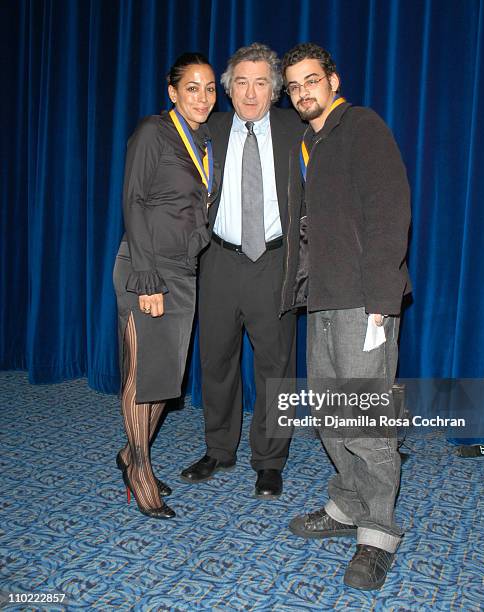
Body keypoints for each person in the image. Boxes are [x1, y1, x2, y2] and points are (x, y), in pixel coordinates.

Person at [280, 43, 411, 589]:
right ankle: (347, 506)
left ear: (333, 79)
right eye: (294, 86)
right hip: (326, 297)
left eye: (312, 80)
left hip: (365, 301)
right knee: (331, 413)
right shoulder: (313, 142)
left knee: (370, 424)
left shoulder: (362, 127)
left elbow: (390, 211)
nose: (304, 92)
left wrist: (382, 300)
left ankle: (377, 535)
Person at [180, 43, 304, 498]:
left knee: (277, 367)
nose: (250, 93)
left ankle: (271, 461)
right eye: (241, 83)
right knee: (215, 359)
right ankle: (218, 449)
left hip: (274, 261)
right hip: (218, 259)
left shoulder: (297, 130)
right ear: (228, 89)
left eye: (261, 83)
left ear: (275, 91)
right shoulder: (206, 128)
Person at [113, 52, 217, 519]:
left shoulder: (206, 141)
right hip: (146, 268)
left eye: (210, 88)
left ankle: (130, 454)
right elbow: (133, 202)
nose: (203, 96)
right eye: (192, 87)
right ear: (172, 93)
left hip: (183, 272)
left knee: (164, 379)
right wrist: (147, 276)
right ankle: (138, 469)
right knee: (144, 377)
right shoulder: (153, 132)